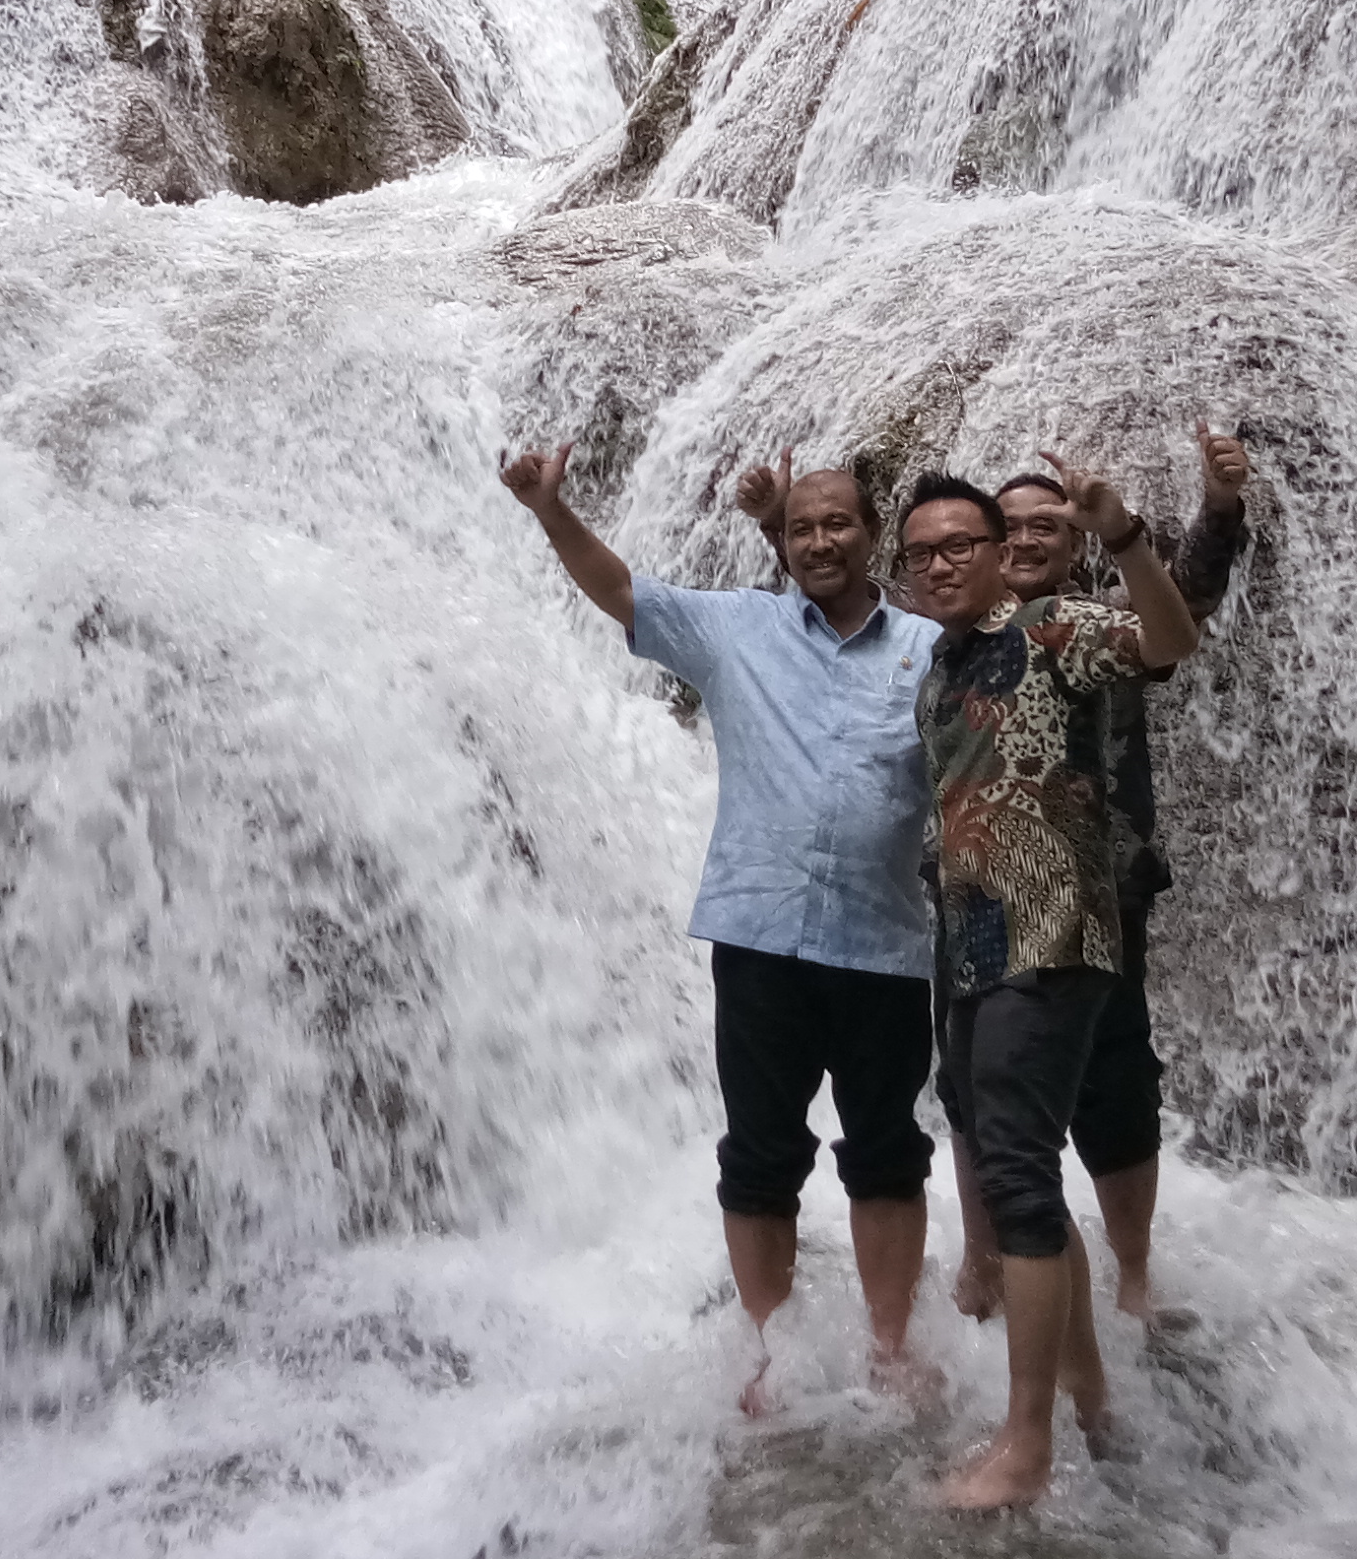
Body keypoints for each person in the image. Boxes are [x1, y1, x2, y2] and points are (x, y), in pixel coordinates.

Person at [496, 443, 940, 1413]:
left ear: (872, 534)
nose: (819, 540)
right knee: (757, 1155)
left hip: (883, 946)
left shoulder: (925, 651)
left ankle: (890, 1346)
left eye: (837, 524)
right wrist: (548, 510)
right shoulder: (733, 629)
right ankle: (772, 1349)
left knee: (885, 1151)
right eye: (799, 528)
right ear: (779, 545)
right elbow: (618, 590)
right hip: (759, 941)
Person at [893, 458, 1201, 1509]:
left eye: (959, 547)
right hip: (973, 945)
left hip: (1053, 936)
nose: (940, 565)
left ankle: (1023, 1450)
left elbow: (1167, 641)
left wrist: (1123, 541)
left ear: (996, 555)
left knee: (1019, 1178)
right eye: (921, 553)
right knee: (1023, 1175)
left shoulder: (1052, 631)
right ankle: (1087, 1397)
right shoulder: (941, 668)